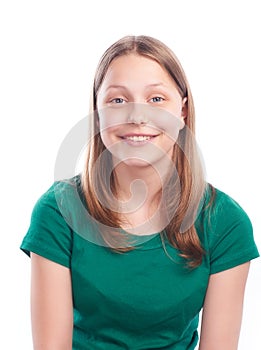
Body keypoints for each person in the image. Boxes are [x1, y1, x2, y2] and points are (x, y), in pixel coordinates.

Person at [20, 35, 259, 350]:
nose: (137, 116)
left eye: (156, 99)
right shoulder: (58, 211)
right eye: (118, 100)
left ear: (183, 110)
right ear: (97, 111)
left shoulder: (225, 221)